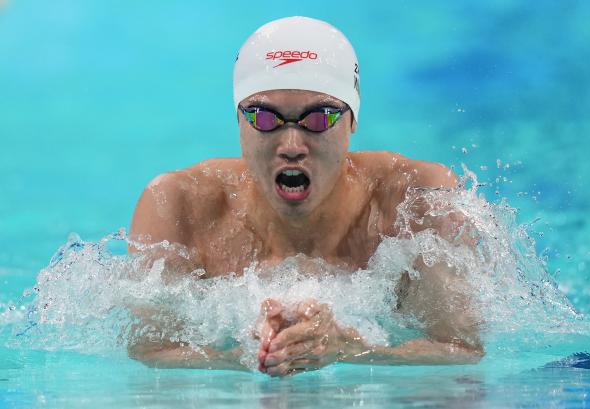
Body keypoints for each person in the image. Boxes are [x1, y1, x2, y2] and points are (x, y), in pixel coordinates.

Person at [127, 16, 484, 377]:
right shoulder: (178, 206)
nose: (292, 146)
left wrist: (351, 348)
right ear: (239, 120)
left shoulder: (416, 202)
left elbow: (461, 350)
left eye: (320, 118)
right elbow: (149, 353)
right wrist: (245, 354)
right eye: (265, 118)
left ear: (353, 120)